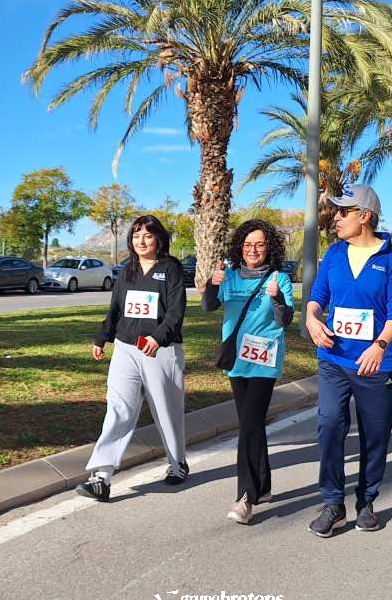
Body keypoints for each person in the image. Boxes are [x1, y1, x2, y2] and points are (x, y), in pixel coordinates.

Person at [304, 185, 392, 538]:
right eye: (336, 211)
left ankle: (366, 501)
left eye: (343, 211)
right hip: (334, 358)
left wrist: (380, 345)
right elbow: (318, 295)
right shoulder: (335, 254)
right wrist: (312, 318)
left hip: (375, 364)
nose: (335, 217)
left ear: (364, 216)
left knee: (374, 435)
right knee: (329, 424)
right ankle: (333, 503)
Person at [76, 215, 189, 502]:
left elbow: (176, 311)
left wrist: (158, 338)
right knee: (118, 409)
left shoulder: (171, 268)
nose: (141, 241)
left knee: (167, 411)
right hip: (126, 348)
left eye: (148, 235)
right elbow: (116, 309)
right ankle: (101, 478)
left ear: (158, 239)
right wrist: (102, 337)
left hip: (160, 350)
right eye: (136, 235)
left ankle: (178, 463)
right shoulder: (127, 269)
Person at [202, 219, 295, 524]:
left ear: (270, 248)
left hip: (264, 360)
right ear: (240, 247)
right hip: (237, 360)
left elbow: (285, 320)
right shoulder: (228, 275)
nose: (253, 250)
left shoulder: (279, 278)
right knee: (250, 424)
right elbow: (208, 307)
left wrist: (277, 298)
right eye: (247, 244)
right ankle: (263, 486)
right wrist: (212, 283)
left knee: (250, 424)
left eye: (260, 244)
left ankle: (246, 496)